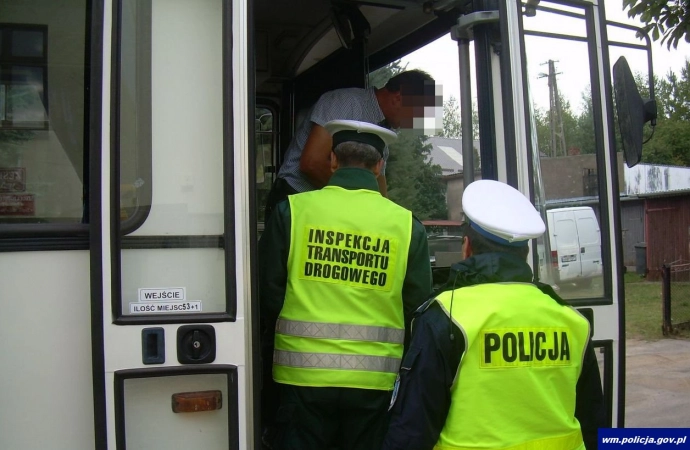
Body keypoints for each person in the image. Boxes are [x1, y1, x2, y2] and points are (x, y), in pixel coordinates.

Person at [382, 179, 606, 450]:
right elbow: (594, 423)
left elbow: (412, 432)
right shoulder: (572, 321)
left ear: (467, 248)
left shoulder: (446, 316)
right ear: (524, 255)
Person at [259, 120, 433, 450]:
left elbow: (268, 294)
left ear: (333, 161)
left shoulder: (292, 212)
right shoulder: (407, 226)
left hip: (301, 378)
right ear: (380, 165)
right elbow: (416, 306)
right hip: (373, 383)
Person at [264, 69, 437, 219]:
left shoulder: (383, 130)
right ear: (399, 98)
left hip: (326, 208)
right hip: (294, 201)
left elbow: (378, 187)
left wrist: (383, 214)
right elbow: (312, 164)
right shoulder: (344, 102)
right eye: (416, 113)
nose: (413, 122)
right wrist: (359, 203)